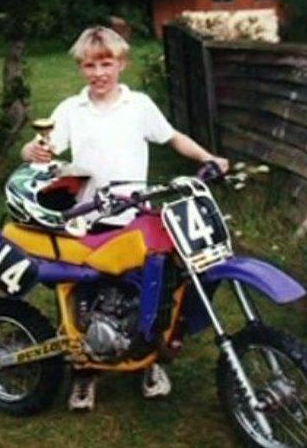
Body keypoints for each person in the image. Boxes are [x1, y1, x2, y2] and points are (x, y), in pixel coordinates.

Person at [19, 26, 228, 411]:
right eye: (89, 65)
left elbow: (173, 138)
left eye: (106, 63)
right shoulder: (70, 109)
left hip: (135, 213)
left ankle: (147, 362)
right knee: (83, 291)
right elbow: (44, 148)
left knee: (148, 286)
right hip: (85, 215)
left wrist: (206, 158)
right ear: (81, 68)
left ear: (121, 64)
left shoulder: (139, 106)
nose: (98, 73)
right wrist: (31, 149)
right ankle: (84, 371)